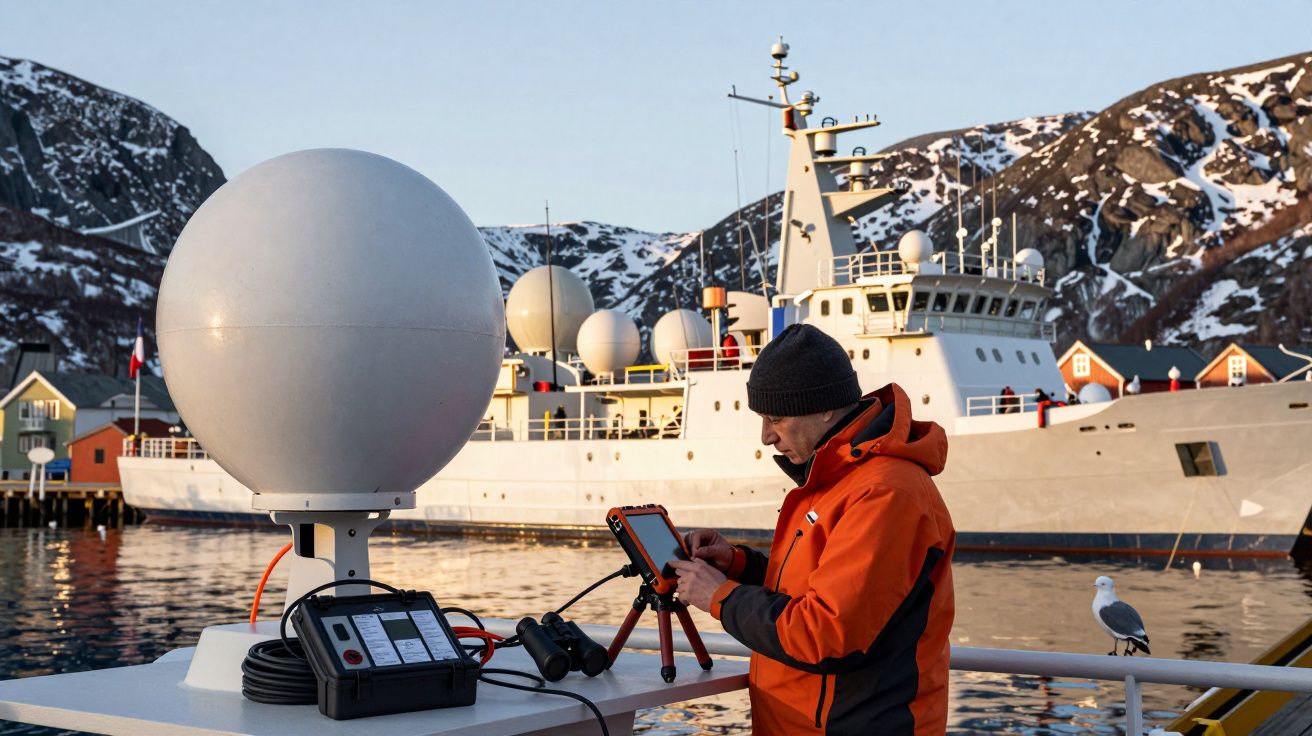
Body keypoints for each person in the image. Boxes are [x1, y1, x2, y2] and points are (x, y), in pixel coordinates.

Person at [670, 323, 955, 735]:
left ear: (824, 408)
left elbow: (826, 633)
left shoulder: (885, 493)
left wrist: (719, 597)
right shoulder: (839, 477)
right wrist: (738, 565)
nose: (766, 437)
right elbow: (818, 588)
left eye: (776, 418)